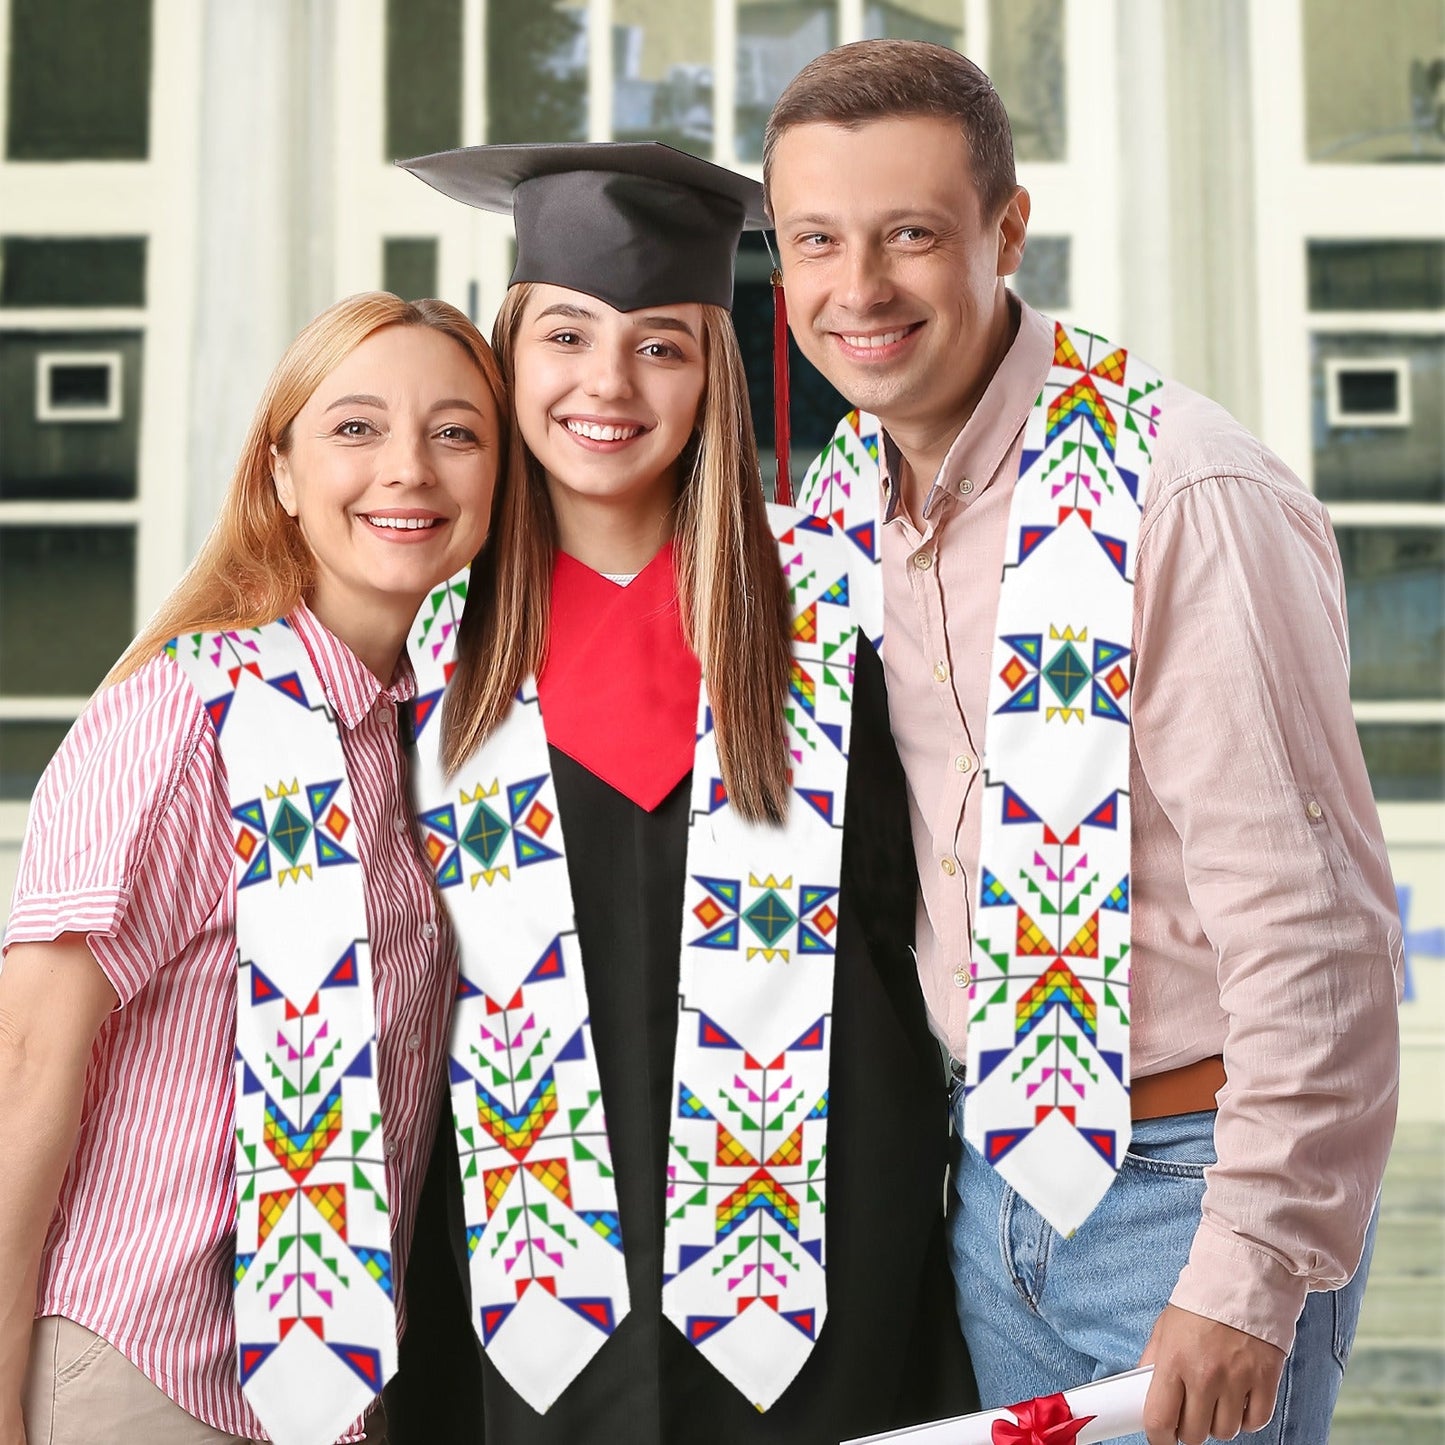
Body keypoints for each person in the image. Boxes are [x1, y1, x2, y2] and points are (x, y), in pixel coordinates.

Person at [763, 39, 1403, 1445]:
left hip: (1187, 1191)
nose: (856, 289)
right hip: (989, 1185)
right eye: (816, 239)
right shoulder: (844, 503)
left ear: (1005, 232)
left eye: (910, 235)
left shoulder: (1180, 492)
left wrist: (1248, 1271)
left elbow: (1321, 932)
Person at [382, 142, 972, 1444]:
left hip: (823, 1275)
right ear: (506, 354)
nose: (607, 383)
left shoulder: (836, 614)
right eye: (568, 336)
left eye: (660, 345)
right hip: (507, 1291)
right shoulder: (415, 646)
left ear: (712, 372)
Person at [0, 292, 506, 1445]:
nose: (408, 470)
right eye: (356, 428)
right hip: (137, 1371)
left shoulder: (420, 742)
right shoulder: (185, 715)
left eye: (456, 432)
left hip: (323, 1393)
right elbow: (25, 1052)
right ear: (278, 472)